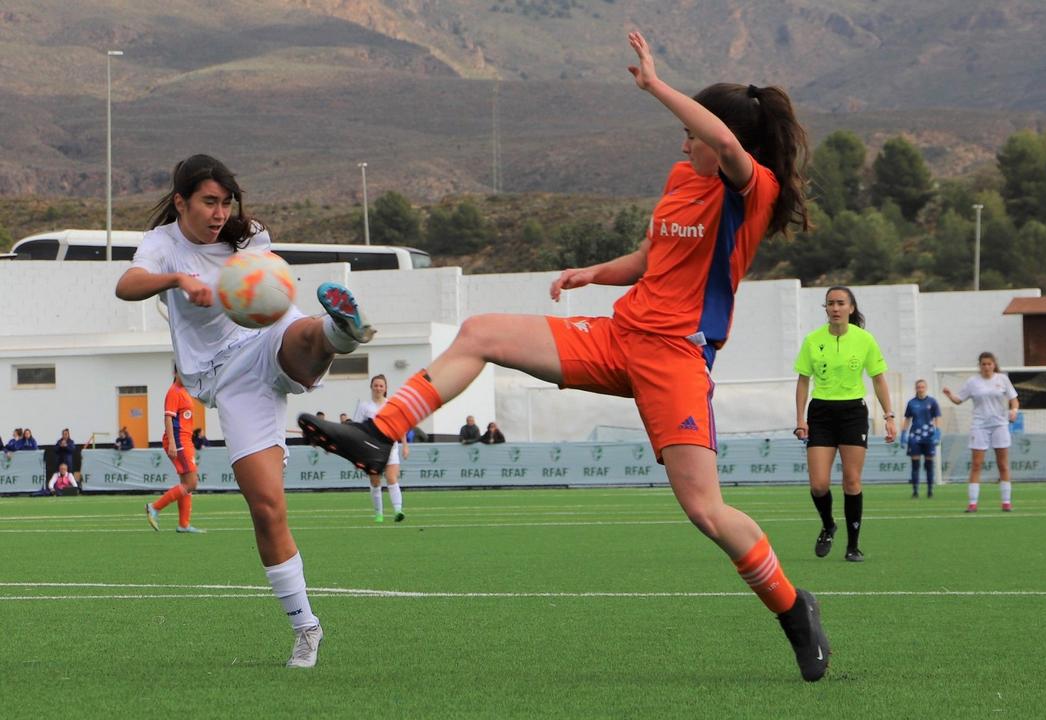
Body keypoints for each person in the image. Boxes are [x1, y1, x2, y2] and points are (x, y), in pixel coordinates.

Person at [299, 32, 829, 682]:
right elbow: (653, 258)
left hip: (677, 361)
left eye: (688, 133)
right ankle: (380, 434)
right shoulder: (680, 180)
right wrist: (593, 273)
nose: (681, 144)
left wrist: (656, 86)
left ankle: (793, 609)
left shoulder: (753, 189)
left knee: (705, 512)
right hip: (619, 337)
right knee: (482, 331)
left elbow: (721, 142)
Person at [115, 153, 375, 668]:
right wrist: (177, 281)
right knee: (266, 507)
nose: (220, 213)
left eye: (226, 202)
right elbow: (127, 285)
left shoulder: (248, 235)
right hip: (225, 379)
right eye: (209, 202)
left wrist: (260, 287)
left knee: (300, 331)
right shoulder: (163, 245)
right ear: (181, 202)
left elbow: (270, 287)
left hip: (268, 333)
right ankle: (306, 628)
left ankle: (339, 331)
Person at [794, 286, 896, 564]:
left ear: (851, 308)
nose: (835, 308)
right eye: (830, 303)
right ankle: (828, 525)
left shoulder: (865, 339)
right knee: (819, 485)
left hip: (853, 412)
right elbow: (803, 381)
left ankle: (853, 546)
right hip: (821, 412)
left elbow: (878, 379)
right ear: (826, 308)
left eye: (840, 303)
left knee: (851, 481)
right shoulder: (812, 340)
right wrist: (800, 419)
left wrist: (889, 416)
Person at [942, 352, 1019, 513]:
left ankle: (1006, 502)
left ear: (994, 365)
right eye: (983, 364)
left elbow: (1014, 399)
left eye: (989, 364)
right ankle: (972, 503)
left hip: (999, 424)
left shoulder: (1002, 379)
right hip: (980, 426)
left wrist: (1014, 410)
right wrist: (950, 395)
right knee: (976, 464)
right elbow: (959, 399)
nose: (986, 367)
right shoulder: (973, 382)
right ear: (980, 366)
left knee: (1003, 464)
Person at [146, 368, 205, 534]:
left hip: (185, 441)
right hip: (179, 442)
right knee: (191, 483)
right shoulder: (174, 392)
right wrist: (172, 442)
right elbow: (168, 418)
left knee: (186, 483)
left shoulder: (184, 391)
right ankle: (154, 507)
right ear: (176, 374)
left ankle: (183, 524)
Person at [352, 374, 408, 522]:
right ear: (371, 387)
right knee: (375, 481)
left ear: (385, 388)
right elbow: (356, 429)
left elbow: (400, 426)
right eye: (376, 385)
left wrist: (405, 445)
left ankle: (398, 511)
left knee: (391, 478)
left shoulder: (392, 405)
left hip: (390, 448)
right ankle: (379, 514)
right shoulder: (364, 407)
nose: (378, 388)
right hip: (372, 449)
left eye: (381, 386)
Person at [901, 379, 942, 498]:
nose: (920, 389)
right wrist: (903, 433)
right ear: (916, 388)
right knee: (915, 464)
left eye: (922, 387)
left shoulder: (932, 402)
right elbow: (907, 419)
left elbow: (938, 417)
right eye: (918, 387)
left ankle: (930, 490)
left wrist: (938, 432)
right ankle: (915, 491)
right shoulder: (911, 403)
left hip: (929, 436)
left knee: (929, 464)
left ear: (926, 388)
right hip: (915, 436)